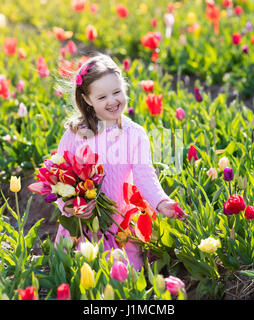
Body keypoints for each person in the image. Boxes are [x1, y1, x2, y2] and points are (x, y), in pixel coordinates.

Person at [54, 53, 183, 271]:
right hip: (83, 224)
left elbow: (145, 176)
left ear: (124, 87)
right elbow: (59, 178)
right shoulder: (76, 134)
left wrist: (161, 203)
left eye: (117, 92)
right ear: (87, 100)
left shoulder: (134, 134)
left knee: (126, 275)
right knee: (82, 274)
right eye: (102, 97)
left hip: (120, 226)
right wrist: (71, 207)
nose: (112, 101)